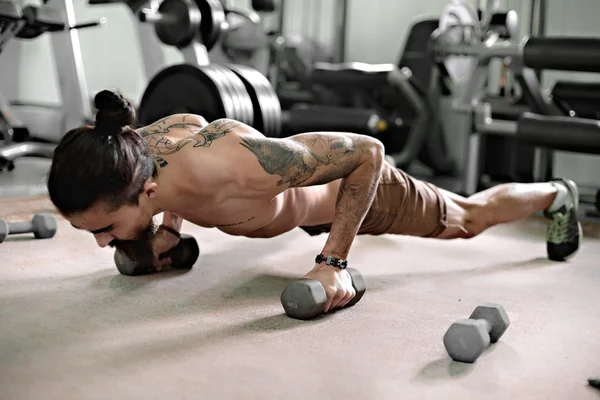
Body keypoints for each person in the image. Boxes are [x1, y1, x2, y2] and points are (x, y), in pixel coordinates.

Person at [47, 90, 582, 313]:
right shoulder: (141, 147)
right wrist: (166, 228)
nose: (101, 244)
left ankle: (558, 195)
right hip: (287, 203)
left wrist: (333, 264)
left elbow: (368, 155)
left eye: (106, 227)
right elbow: (173, 160)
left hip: (357, 194)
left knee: (467, 219)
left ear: (144, 192)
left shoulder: (233, 161)